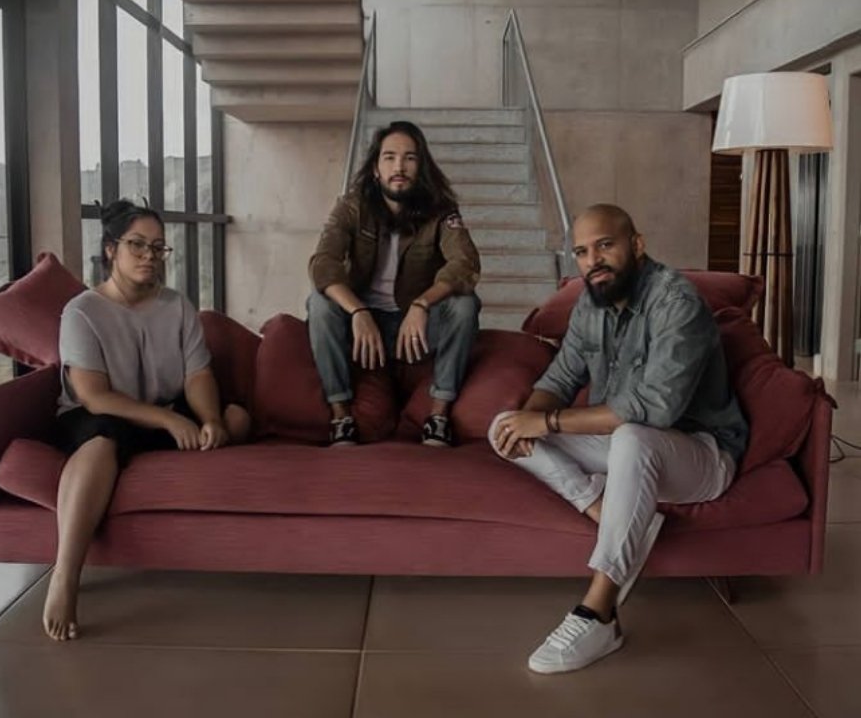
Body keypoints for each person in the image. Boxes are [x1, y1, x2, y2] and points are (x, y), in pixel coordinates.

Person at [490, 204, 748, 673]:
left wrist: (548, 424)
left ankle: (600, 612)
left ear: (637, 244)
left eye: (605, 245)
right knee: (503, 428)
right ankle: (603, 508)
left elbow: (656, 409)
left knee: (632, 436)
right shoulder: (591, 303)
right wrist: (527, 419)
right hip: (625, 446)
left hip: (700, 454)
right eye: (582, 252)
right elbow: (560, 377)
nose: (593, 261)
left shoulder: (677, 303)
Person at [43, 199, 250, 641]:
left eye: (158, 248)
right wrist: (168, 422)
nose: (149, 256)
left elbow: (197, 374)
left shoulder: (176, 305)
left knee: (236, 417)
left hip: (160, 410)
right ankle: (65, 575)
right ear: (111, 249)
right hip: (100, 415)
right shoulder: (82, 311)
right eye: (137, 245)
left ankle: (185, 439)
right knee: (103, 441)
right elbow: (94, 396)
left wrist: (209, 418)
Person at [308, 120, 481, 447]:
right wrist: (358, 311)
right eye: (389, 157)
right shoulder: (351, 207)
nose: (399, 167)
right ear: (376, 168)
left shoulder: (441, 210)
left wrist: (422, 304)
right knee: (319, 303)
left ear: (421, 166)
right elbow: (323, 264)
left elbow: (465, 263)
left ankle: (439, 417)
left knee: (465, 304)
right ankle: (341, 417)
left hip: (414, 326)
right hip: (363, 325)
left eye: (409, 158)